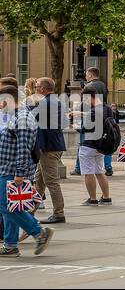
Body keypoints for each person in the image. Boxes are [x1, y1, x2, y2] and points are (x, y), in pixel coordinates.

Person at [0, 84, 55, 258]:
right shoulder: (14, 116)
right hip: (8, 168)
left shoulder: (22, 117)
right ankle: (10, 245)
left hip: (12, 169)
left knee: (6, 206)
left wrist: (20, 173)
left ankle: (39, 233)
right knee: (9, 206)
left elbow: (24, 148)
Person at [31, 78, 66, 226]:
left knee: (51, 181)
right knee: (38, 182)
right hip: (53, 145)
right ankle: (30, 212)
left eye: (37, 86)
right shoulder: (58, 101)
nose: (35, 88)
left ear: (44, 89)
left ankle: (59, 213)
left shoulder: (45, 102)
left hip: (49, 148)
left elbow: (29, 117)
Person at [77, 82, 112, 206]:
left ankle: (92, 199)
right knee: (100, 172)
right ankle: (106, 197)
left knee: (88, 172)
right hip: (102, 145)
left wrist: (76, 125)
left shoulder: (92, 112)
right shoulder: (107, 108)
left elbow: (84, 129)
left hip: (89, 145)